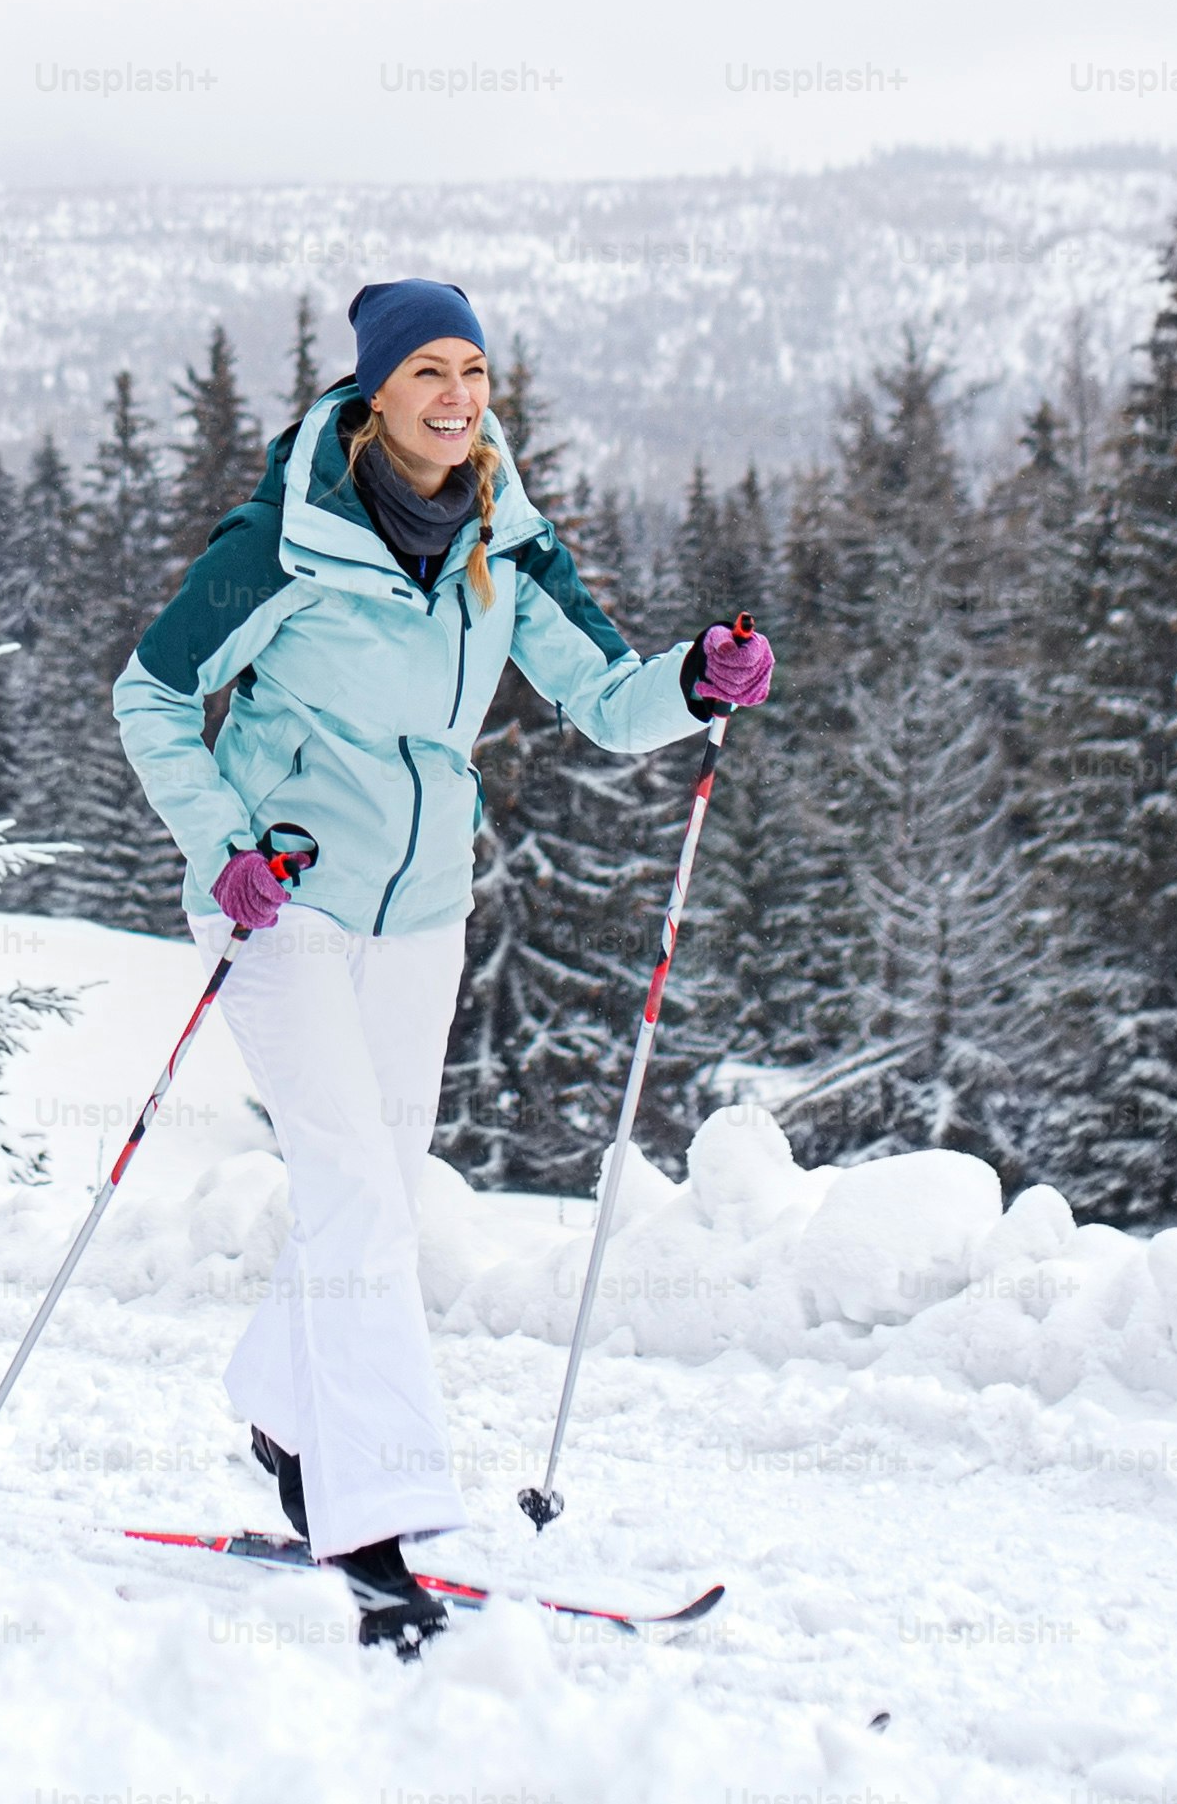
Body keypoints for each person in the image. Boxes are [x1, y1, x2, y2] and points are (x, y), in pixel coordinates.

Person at [113, 279, 776, 1655]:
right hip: (276, 895)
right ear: (371, 391)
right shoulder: (281, 539)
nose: (458, 394)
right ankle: (375, 1523)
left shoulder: (498, 536)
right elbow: (154, 689)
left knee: (376, 1187)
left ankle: (287, 1419)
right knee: (352, 1188)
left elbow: (599, 692)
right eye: (427, 368)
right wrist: (220, 838)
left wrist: (694, 682)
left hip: (417, 908)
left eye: (473, 368)